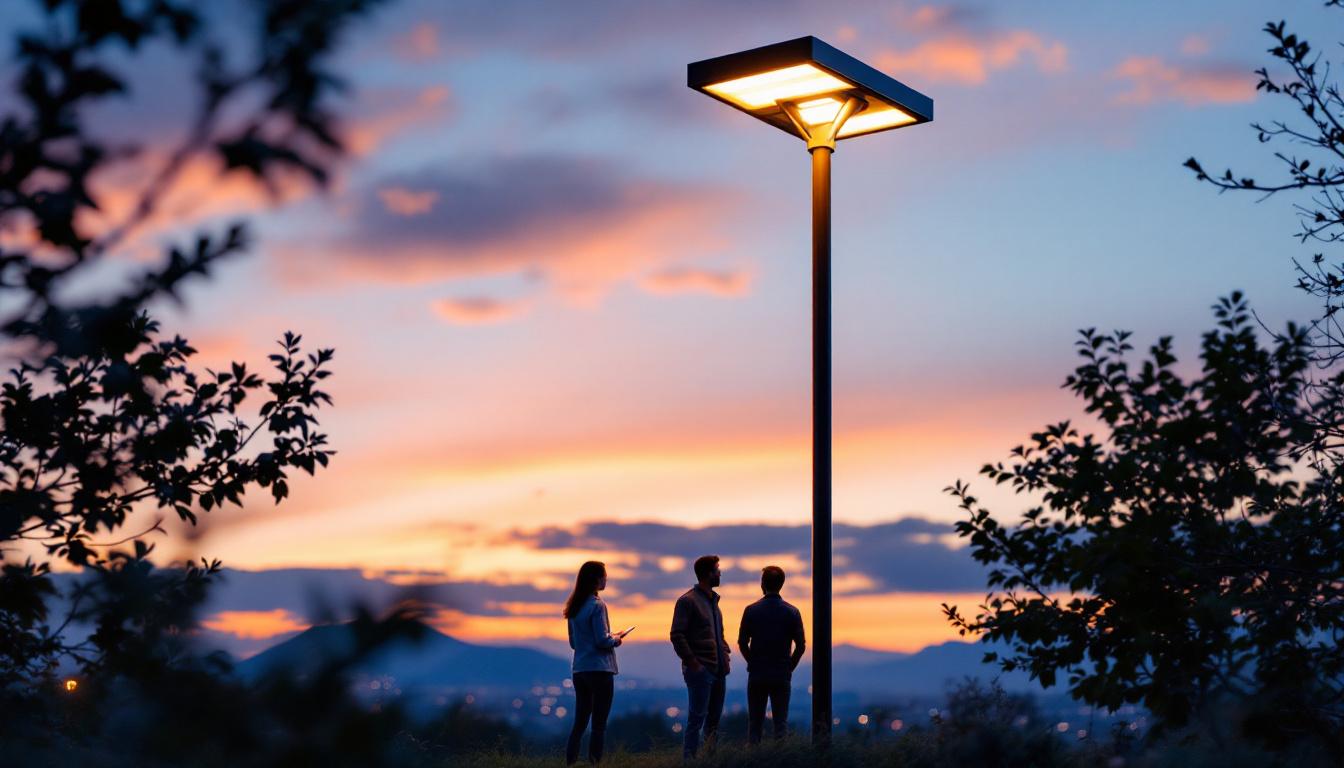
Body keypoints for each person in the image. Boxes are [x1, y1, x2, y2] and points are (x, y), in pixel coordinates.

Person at [670, 554, 731, 759]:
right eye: (717, 569)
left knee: (713, 722)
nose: (720, 573)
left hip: (717, 671)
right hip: (702, 671)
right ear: (707, 574)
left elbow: (718, 636)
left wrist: (725, 656)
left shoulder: (714, 603)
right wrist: (693, 663)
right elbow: (677, 634)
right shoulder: (688, 601)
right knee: (696, 721)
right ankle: (691, 761)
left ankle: (709, 760)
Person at [737, 565, 806, 744]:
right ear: (782, 584)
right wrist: (789, 666)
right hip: (781, 674)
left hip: (758, 673)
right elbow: (801, 646)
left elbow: (742, 643)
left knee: (755, 724)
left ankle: (753, 761)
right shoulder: (792, 612)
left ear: (762, 584)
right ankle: (780, 760)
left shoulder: (751, 610)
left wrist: (752, 662)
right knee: (780, 725)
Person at [564, 560, 623, 765]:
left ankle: (570, 762)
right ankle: (594, 763)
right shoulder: (598, 605)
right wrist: (616, 639)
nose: (606, 579)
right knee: (599, 724)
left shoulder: (574, 608)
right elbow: (601, 640)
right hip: (599, 669)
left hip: (579, 670)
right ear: (596, 579)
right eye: (604, 575)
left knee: (579, 723)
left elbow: (574, 643)